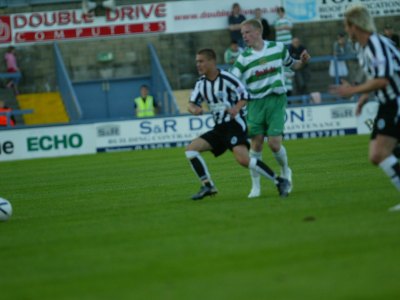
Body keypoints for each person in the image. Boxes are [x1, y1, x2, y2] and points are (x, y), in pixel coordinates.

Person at [186, 48, 291, 200]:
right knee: (191, 150)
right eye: (197, 62)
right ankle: (207, 185)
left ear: (212, 62)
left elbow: (245, 95)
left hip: (234, 125)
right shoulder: (200, 84)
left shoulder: (227, 78)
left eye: (201, 61)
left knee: (242, 159)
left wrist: (236, 108)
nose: (198, 65)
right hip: (219, 128)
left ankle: (280, 181)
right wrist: (194, 109)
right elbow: (191, 103)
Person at [329, 5, 400, 212]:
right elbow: (376, 77)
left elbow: (383, 80)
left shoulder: (375, 44)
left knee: (379, 153)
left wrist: (353, 90)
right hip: (387, 102)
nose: (345, 29)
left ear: (354, 25)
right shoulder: (364, 47)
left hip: (395, 101)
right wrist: (363, 97)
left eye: (346, 25)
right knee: (376, 155)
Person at [231, 19, 311, 198]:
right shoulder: (243, 58)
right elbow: (232, 80)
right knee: (256, 144)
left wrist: (302, 61)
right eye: (242, 33)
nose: (244, 36)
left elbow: (293, 65)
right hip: (255, 104)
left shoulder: (278, 48)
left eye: (247, 32)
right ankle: (256, 187)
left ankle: (285, 171)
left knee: (274, 144)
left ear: (258, 32)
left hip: (276, 101)